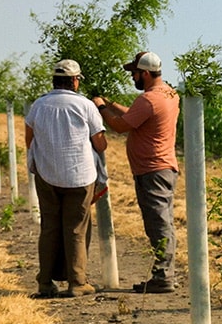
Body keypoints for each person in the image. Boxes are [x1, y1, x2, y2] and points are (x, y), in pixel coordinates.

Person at [93, 51, 180, 293]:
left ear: (145, 73)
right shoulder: (169, 94)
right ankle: (167, 273)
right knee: (164, 222)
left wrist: (100, 108)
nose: (132, 77)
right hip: (163, 168)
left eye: (134, 73)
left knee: (158, 224)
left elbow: (121, 126)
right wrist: (109, 103)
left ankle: (163, 277)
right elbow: (133, 115)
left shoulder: (149, 100)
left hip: (152, 169)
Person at [25, 59, 108, 298]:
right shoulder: (85, 106)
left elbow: (29, 140)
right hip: (80, 177)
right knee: (76, 229)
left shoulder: (38, 105)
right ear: (74, 81)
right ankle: (77, 282)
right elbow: (100, 144)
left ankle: (45, 282)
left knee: (49, 227)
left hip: (47, 174)